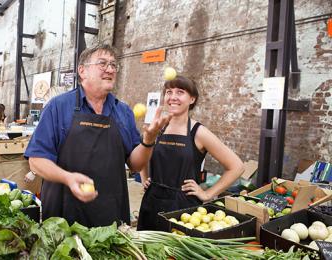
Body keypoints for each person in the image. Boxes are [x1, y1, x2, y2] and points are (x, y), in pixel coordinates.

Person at [25, 44, 170, 227]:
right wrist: (68, 178)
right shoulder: (58, 107)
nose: (110, 69)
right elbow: (36, 161)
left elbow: (135, 164)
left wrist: (148, 141)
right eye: (102, 64)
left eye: (113, 65)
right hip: (63, 214)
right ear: (82, 71)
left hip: (110, 213)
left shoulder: (123, 111)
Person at [137, 76, 244, 231]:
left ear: (192, 99)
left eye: (180, 92)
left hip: (183, 208)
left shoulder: (199, 132)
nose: (173, 97)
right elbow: (144, 151)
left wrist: (208, 194)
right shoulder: (157, 127)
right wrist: (144, 178)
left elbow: (236, 167)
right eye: (169, 92)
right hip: (152, 201)